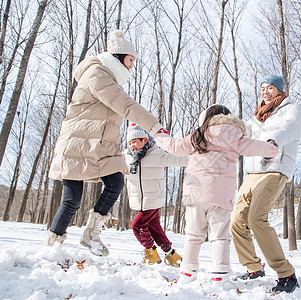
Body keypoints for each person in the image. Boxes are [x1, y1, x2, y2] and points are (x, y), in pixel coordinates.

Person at [46, 30, 163, 257]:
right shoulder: (97, 74)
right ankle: (53, 246)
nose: (132, 66)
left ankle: (91, 233)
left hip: (99, 148)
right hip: (77, 145)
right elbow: (125, 105)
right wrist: (155, 127)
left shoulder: (109, 79)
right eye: (130, 60)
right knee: (72, 201)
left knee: (116, 181)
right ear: (119, 57)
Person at [153, 104, 278, 288]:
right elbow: (259, 148)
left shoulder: (200, 134)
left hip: (195, 192)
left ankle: (187, 273)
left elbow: (175, 146)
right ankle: (220, 275)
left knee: (193, 236)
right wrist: (271, 149)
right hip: (221, 195)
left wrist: (158, 134)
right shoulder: (235, 135)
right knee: (220, 237)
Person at [230, 74, 301, 294]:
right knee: (236, 221)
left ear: (279, 91)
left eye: (270, 88)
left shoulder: (292, 108)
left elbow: (290, 128)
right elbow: (240, 133)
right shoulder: (256, 118)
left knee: (256, 218)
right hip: (252, 172)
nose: (265, 92)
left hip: (275, 167)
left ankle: (286, 273)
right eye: (262, 88)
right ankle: (254, 267)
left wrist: (273, 142)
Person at [124, 123, 188, 267]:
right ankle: (172, 255)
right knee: (155, 229)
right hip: (140, 200)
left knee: (137, 226)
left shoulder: (157, 153)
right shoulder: (126, 157)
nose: (132, 146)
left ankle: (150, 251)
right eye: (129, 142)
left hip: (152, 198)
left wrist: (198, 158)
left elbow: (178, 159)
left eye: (134, 141)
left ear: (144, 140)